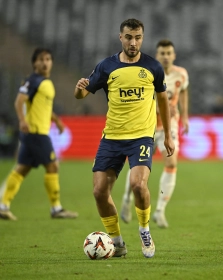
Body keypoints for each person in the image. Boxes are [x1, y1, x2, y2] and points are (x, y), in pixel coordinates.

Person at [74, 19, 174, 259]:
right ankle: (117, 242)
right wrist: (79, 89)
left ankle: (144, 230)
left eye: (138, 37)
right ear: (121, 37)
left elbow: (163, 101)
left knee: (139, 185)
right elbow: (82, 94)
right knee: (99, 191)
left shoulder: (153, 67)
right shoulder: (107, 66)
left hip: (141, 137)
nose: (133, 42)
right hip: (112, 137)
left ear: (143, 37)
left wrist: (168, 135)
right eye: (129, 37)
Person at [0, 48, 79, 221]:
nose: (45, 62)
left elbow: (44, 107)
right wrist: (22, 120)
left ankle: (3, 205)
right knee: (53, 166)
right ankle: (56, 208)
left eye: (48, 59)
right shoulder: (33, 81)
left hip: (37, 133)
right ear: (35, 62)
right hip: (36, 133)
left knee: (22, 168)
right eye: (41, 59)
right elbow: (19, 101)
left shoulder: (46, 82)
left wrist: (57, 121)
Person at [120, 39, 189, 228]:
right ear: (157, 55)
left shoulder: (181, 74)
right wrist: (160, 109)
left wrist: (184, 116)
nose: (166, 57)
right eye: (162, 53)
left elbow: (183, 92)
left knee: (172, 162)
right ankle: (126, 200)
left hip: (169, 127)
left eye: (169, 53)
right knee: (138, 169)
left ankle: (160, 211)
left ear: (173, 55)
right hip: (147, 126)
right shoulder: (147, 72)